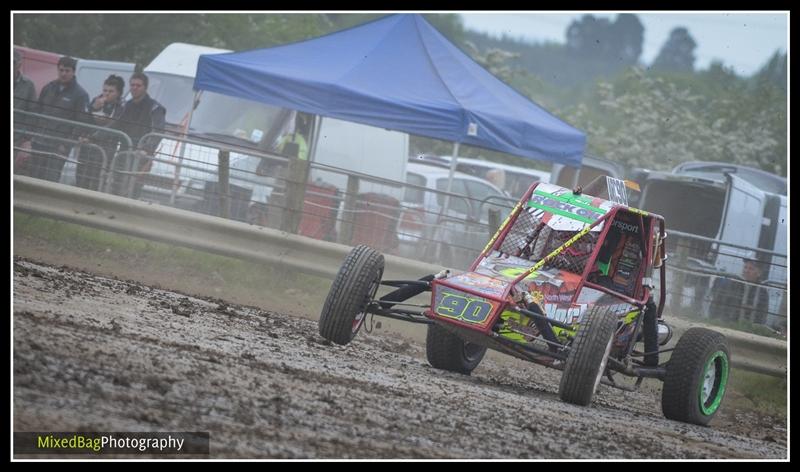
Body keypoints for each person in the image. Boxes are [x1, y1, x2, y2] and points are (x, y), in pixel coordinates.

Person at [28, 56, 91, 182]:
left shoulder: (80, 95)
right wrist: (31, 136)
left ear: (73, 72)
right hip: (39, 142)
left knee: (50, 180)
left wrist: (66, 144)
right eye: (61, 70)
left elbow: (80, 123)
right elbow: (37, 111)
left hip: (58, 147)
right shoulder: (48, 87)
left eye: (67, 71)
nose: (63, 74)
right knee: (32, 178)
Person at [108, 72, 166, 197]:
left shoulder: (155, 108)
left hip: (141, 157)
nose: (134, 88)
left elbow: (158, 131)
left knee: (133, 190)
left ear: (145, 87)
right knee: (116, 187)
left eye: (138, 85)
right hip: (123, 153)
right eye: (132, 85)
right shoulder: (125, 106)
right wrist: (92, 136)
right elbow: (113, 125)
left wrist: (147, 149)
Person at [75, 74, 125, 191]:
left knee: (97, 181)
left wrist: (93, 137)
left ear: (118, 93)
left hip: (106, 149)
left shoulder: (122, 106)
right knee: (81, 178)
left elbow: (114, 125)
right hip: (87, 148)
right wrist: (93, 108)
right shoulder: (96, 100)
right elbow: (84, 119)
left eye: (111, 91)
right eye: (104, 90)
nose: (106, 94)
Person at [709, 258, 769, 325]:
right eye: (745, 267)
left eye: (751, 269)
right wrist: (714, 320)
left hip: (747, 326)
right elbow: (717, 302)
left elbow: (762, 314)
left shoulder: (762, 291)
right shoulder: (732, 283)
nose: (746, 271)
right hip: (726, 322)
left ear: (759, 273)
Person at [13, 49, 38, 175]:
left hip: (16, 136)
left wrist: (26, 136)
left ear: (19, 65)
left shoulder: (28, 85)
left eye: (13, 62)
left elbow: (32, 112)